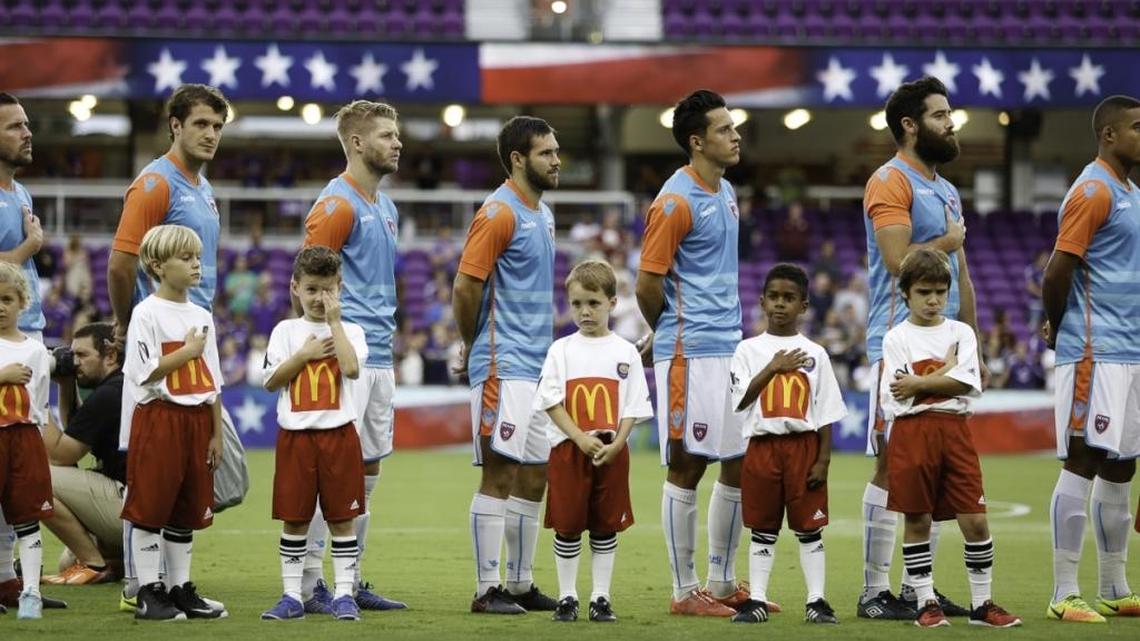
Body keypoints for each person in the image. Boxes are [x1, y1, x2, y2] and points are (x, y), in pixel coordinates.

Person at [107, 84, 244, 614]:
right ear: (175, 125)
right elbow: (122, 263)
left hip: (195, 338)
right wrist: (126, 326)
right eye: (202, 124)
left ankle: (169, 582)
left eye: (218, 126)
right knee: (151, 475)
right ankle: (139, 588)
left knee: (195, 477)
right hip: (158, 348)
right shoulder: (155, 184)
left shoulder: (202, 187)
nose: (211, 134)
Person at [858, 76, 981, 620]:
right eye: (939, 115)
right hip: (900, 347)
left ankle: (916, 589)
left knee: (927, 472)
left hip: (947, 349)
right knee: (892, 466)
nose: (949, 122)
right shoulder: (890, 181)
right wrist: (948, 243)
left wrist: (973, 348)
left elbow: (961, 275)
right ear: (910, 125)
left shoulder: (946, 189)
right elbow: (896, 261)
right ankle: (871, 590)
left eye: (948, 113)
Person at [635, 89, 752, 616]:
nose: (736, 135)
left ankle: (722, 582)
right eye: (725, 129)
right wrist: (669, 332)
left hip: (728, 346)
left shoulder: (725, 191)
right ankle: (685, 592)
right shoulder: (675, 200)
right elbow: (646, 283)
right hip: (690, 351)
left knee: (737, 461)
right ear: (697, 141)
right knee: (688, 464)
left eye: (734, 127)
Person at [299, 100, 406, 612]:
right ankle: (311, 583)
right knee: (334, 469)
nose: (397, 142)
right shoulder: (336, 205)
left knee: (368, 468)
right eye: (386, 135)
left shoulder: (386, 206)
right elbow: (307, 283)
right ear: (358, 143)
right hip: (343, 356)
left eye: (396, 135)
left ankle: (350, 577)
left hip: (380, 355)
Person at [879, 248, 1020, 628]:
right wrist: (948, 370)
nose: (934, 299)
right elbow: (898, 392)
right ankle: (925, 601)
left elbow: (967, 383)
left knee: (975, 520)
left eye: (940, 291)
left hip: (955, 431)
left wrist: (922, 381)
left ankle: (982, 604)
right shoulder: (896, 337)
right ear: (906, 292)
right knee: (918, 519)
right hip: (912, 432)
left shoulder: (961, 331)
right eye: (924, 291)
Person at [453, 116, 561, 614]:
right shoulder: (498, 212)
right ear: (518, 159)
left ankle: (519, 583)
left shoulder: (543, 213)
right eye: (546, 153)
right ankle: (484, 588)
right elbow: (466, 285)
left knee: (536, 475)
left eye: (557, 151)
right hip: (503, 363)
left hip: (538, 366)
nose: (557, 160)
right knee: (500, 473)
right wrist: (472, 342)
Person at [1043, 95, 1140, 623]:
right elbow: (1057, 271)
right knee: (1082, 460)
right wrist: (1060, 330)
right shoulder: (1093, 189)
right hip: (1093, 351)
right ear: (1109, 135)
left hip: (1130, 352)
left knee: (1122, 466)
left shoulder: (1133, 194)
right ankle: (1062, 592)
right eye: (1137, 127)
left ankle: (1114, 586)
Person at [535, 260, 653, 623]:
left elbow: (633, 404)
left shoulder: (626, 352)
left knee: (605, 526)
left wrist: (618, 442)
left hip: (612, 451)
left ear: (613, 303)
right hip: (570, 451)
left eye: (594, 303)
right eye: (577, 304)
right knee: (568, 526)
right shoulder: (561, 350)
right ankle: (567, 597)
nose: (585, 312)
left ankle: (600, 597)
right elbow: (551, 400)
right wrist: (579, 438)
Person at [729, 264, 846, 626]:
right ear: (762, 301)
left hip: (804, 448)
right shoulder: (748, 350)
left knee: (809, 529)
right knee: (763, 528)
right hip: (762, 448)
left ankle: (817, 601)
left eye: (789, 298)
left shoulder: (816, 354)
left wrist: (823, 459)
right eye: (774, 297)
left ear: (804, 306)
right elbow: (740, 400)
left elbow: (825, 411)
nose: (781, 304)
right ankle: (758, 600)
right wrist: (772, 369)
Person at [119, 225, 225, 622]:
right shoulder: (145, 313)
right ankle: (149, 591)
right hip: (160, 418)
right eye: (186, 258)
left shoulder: (201, 315)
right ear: (158, 266)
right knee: (151, 507)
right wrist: (187, 351)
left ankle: (180, 589)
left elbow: (213, 380)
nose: (196, 264)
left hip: (197, 421)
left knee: (186, 507)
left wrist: (216, 433)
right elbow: (143, 372)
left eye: (197, 256)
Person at [260, 247, 369, 622]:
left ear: (340, 288)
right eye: (311, 290)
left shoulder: (351, 330)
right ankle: (292, 595)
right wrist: (302, 356)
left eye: (328, 290)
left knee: (342, 519)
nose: (320, 299)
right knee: (295, 518)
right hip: (296, 437)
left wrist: (335, 324)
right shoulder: (284, 332)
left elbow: (352, 369)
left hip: (339, 435)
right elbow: (270, 382)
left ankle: (343, 595)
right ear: (295, 288)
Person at [0, 92, 66, 615]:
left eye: (26, 124)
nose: (27, 133)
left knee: (25, 468)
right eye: (14, 127)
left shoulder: (18, 190)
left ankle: (14, 581)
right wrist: (26, 252)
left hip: (29, 336)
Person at [41, 322, 125, 586]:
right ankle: (114, 560)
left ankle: (94, 563)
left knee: (33, 478)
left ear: (109, 355)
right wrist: (66, 386)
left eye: (82, 355)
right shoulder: (118, 386)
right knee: (67, 562)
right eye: (72, 354)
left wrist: (35, 394)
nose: (74, 363)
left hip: (130, 507)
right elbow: (73, 437)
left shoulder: (109, 394)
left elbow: (59, 456)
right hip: (147, 512)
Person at [0, 261, 53, 619]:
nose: (0, 306)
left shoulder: (35, 350)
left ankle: (30, 591)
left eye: (7, 299)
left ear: (22, 302)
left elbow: (41, 404)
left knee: (27, 516)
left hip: (24, 440)